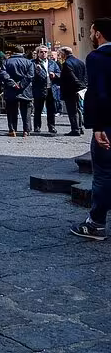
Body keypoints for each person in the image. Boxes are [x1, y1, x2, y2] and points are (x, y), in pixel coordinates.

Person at [71, 18, 111, 240]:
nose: (88, 35)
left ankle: (96, 223)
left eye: (91, 31)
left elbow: (98, 93)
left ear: (98, 34)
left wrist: (98, 126)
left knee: (104, 173)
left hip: (108, 124)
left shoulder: (97, 58)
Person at [0, 45, 34, 137]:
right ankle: (26, 131)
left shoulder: (7, 62)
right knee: (26, 110)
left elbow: (3, 73)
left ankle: (12, 130)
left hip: (11, 89)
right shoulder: (28, 62)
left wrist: (12, 83)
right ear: (23, 52)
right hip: (25, 90)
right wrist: (22, 84)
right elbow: (30, 75)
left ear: (13, 52)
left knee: (11, 111)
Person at [31, 45, 60, 134]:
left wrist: (55, 75)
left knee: (51, 109)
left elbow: (59, 72)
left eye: (45, 52)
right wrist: (37, 72)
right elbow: (30, 75)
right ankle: (37, 127)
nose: (44, 54)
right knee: (38, 109)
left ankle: (51, 126)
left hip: (51, 89)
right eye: (41, 52)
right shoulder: (33, 63)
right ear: (38, 53)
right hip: (39, 89)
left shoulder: (52, 63)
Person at [59, 46, 86, 136]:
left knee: (72, 110)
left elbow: (71, 77)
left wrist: (78, 85)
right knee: (78, 109)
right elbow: (85, 75)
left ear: (63, 54)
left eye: (60, 54)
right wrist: (83, 86)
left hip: (70, 89)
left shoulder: (67, 63)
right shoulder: (80, 62)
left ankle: (75, 129)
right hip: (80, 89)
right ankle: (80, 127)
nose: (60, 56)